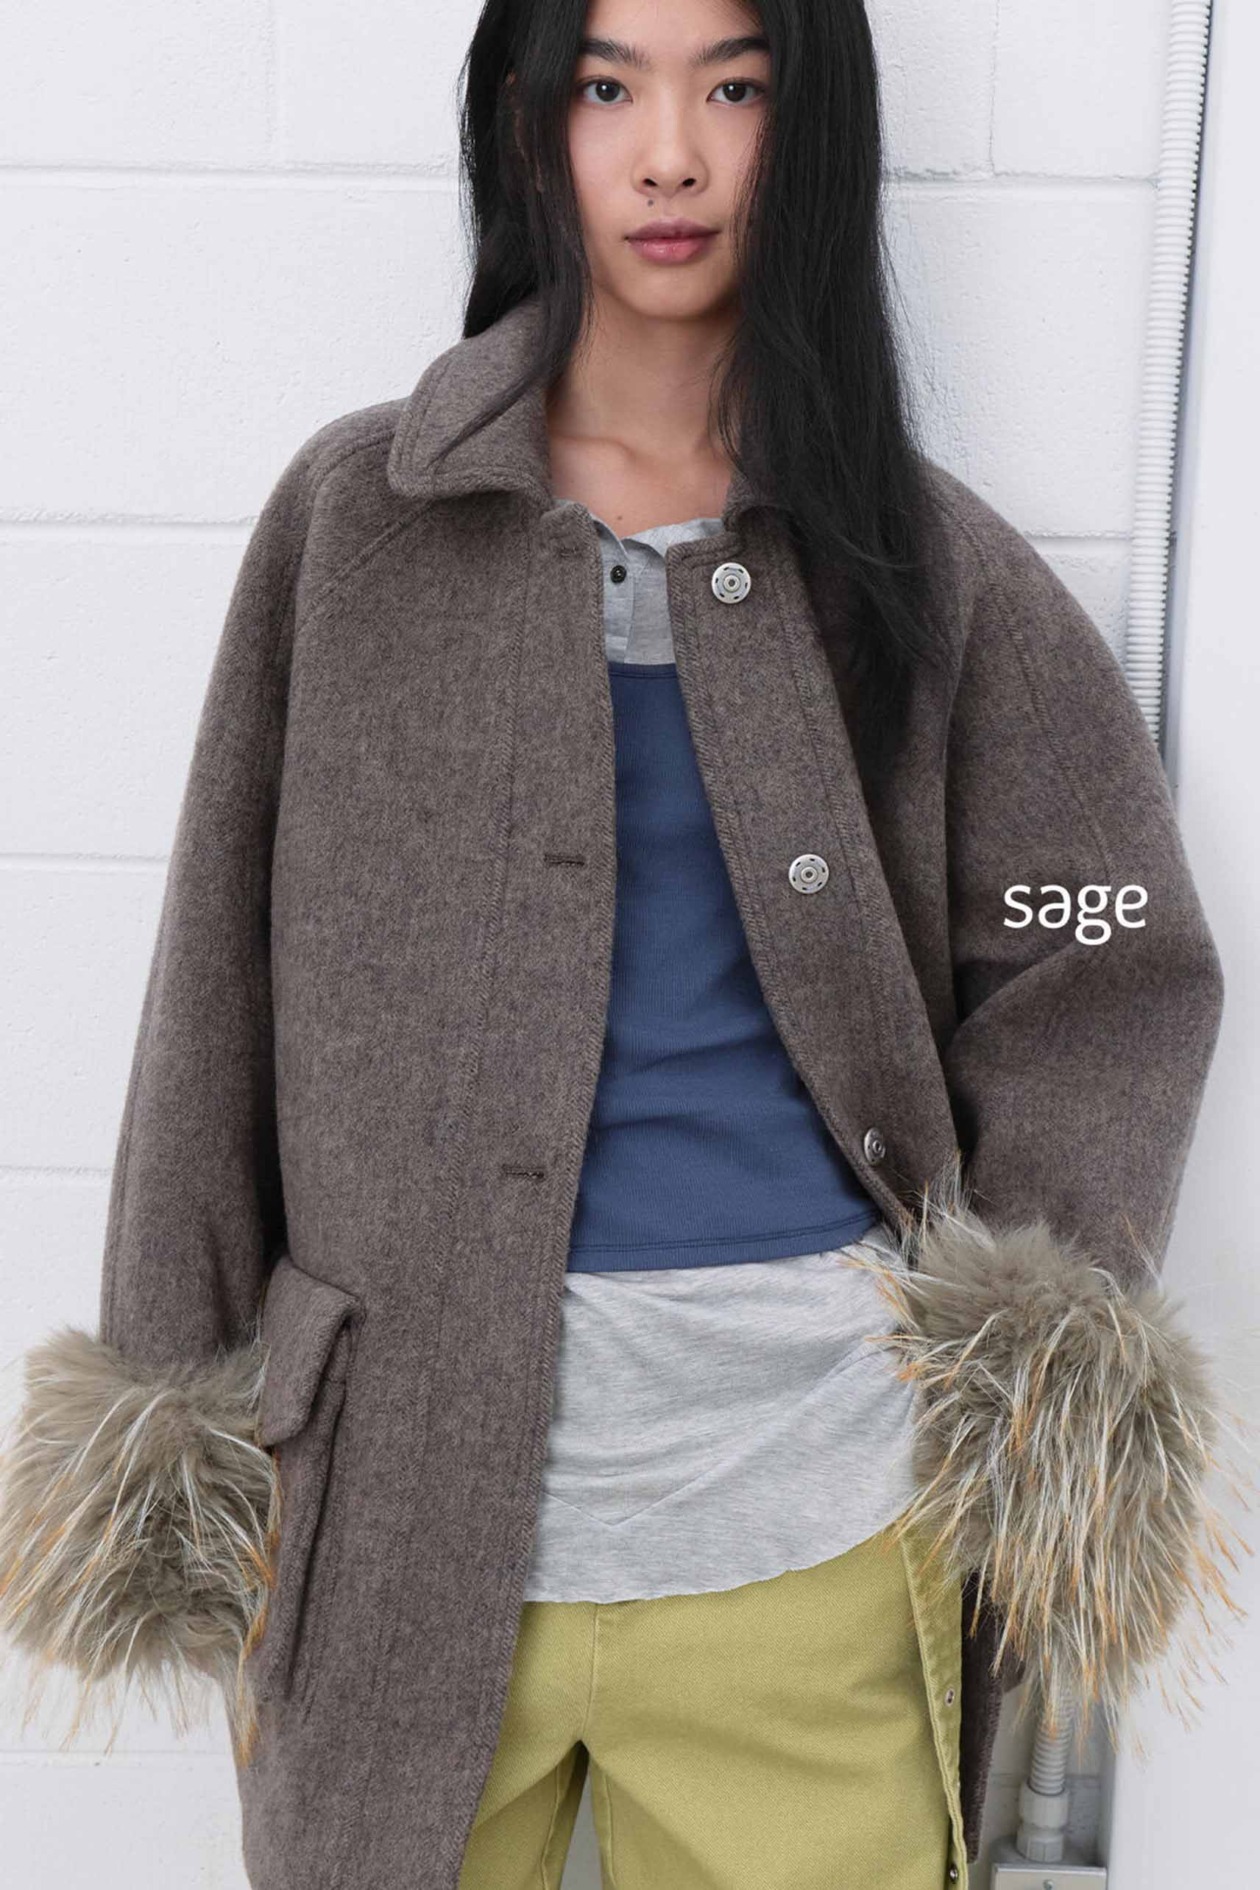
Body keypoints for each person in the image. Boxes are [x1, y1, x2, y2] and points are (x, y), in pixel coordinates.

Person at [0, 3, 1237, 1889]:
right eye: (609, 84)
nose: (671, 150)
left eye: (734, 84)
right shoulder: (358, 529)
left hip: (815, 1528)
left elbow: (1108, 940)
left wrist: (1015, 1316)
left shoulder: (924, 563)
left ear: (808, 129)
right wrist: (172, 1378)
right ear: (530, 124)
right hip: (395, 1531)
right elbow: (215, 984)